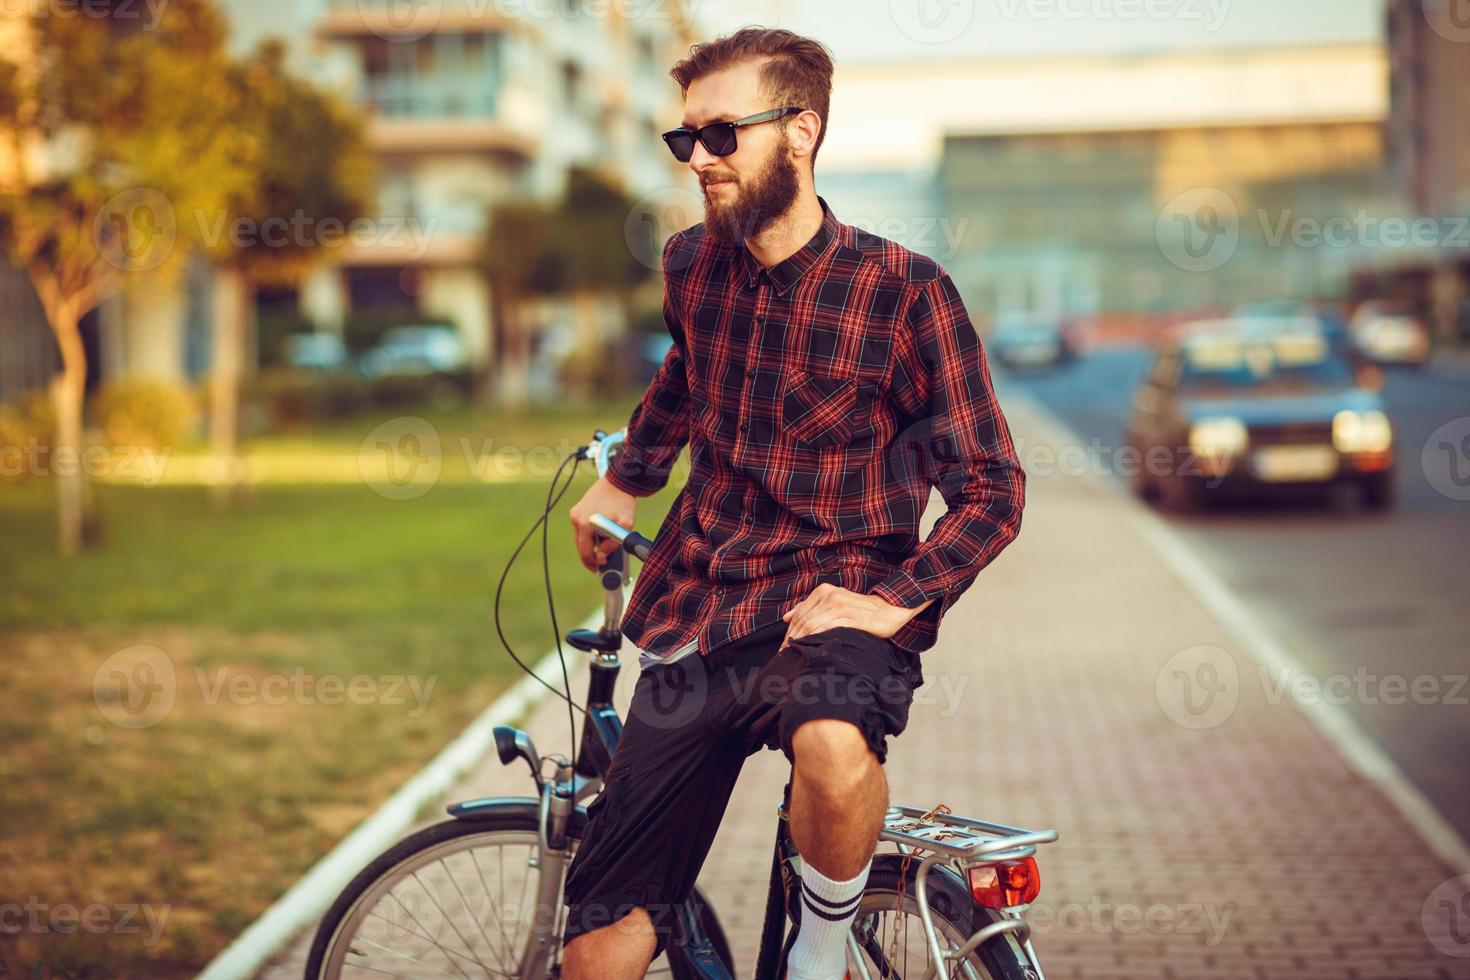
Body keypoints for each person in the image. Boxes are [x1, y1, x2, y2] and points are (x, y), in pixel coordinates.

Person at [562, 27, 1026, 980]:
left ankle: (818, 958)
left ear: (801, 132)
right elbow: (687, 379)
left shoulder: (903, 293)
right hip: (703, 612)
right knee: (600, 942)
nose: (699, 158)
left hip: (835, 605)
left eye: (722, 134)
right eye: (684, 138)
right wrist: (626, 478)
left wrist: (899, 599)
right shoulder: (693, 265)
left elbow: (991, 488)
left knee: (827, 736)